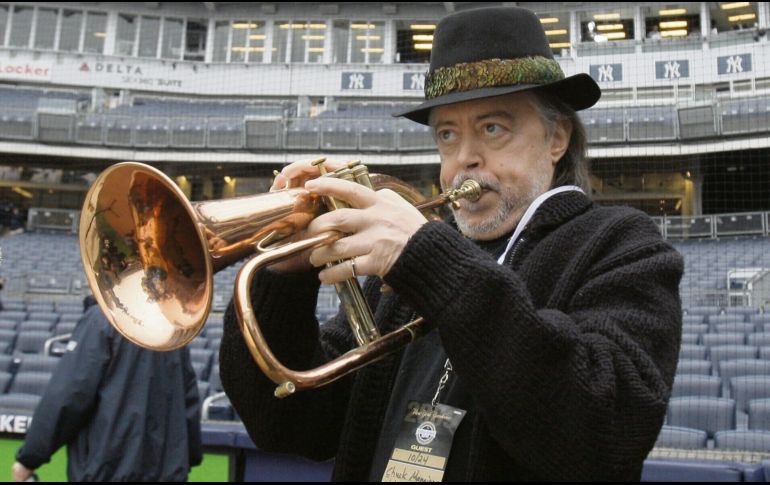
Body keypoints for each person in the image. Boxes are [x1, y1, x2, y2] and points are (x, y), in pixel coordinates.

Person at [219, 6, 683, 481]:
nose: (464, 160)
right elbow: (291, 427)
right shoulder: (400, 279)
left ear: (556, 138)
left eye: (493, 129)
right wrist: (284, 280)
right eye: (447, 134)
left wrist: (429, 261)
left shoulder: (624, 245)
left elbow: (601, 434)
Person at [12, 298, 203, 482]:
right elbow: (188, 401)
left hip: (106, 469)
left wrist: (29, 458)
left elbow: (70, 395)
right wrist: (189, 455)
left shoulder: (101, 318)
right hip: (165, 472)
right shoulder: (170, 324)